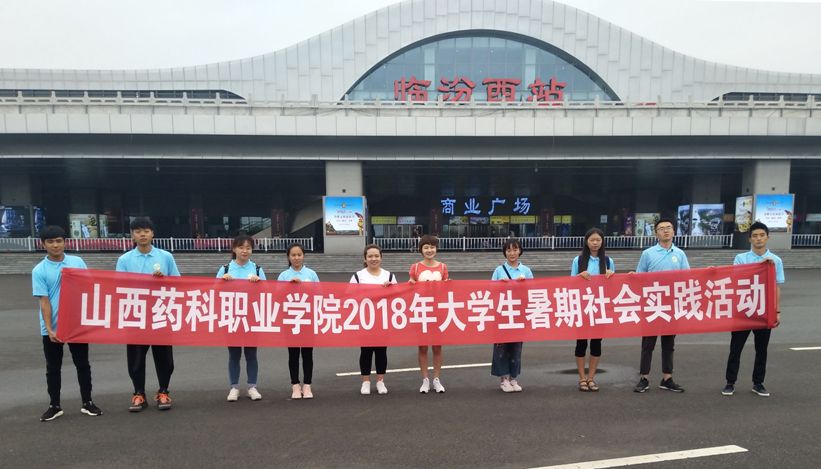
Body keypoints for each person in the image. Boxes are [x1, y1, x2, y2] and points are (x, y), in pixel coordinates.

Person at [33, 225, 103, 421]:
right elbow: (44, 301)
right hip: (52, 327)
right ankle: (54, 405)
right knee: (53, 368)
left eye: (59, 241)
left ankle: (87, 402)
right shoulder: (39, 270)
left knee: (83, 364)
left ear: (65, 242)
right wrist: (49, 328)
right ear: (43, 244)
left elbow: (89, 288)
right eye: (50, 242)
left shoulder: (77, 262)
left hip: (76, 324)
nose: (55, 245)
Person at [116, 217, 181, 411]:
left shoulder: (165, 257)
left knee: (164, 357)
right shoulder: (125, 260)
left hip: (160, 313)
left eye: (146, 231)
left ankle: (163, 391)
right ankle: (138, 393)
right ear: (132, 235)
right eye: (138, 231)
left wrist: (164, 279)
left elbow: (178, 282)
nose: (142, 234)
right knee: (136, 357)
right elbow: (118, 286)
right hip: (136, 314)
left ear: (152, 233)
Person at [722, 221, 784, 397]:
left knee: (761, 349)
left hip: (764, 311)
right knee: (736, 348)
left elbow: (777, 287)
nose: (758, 239)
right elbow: (737, 279)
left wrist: (777, 311)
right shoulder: (741, 258)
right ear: (749, 239)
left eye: (762, 235)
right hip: (743, 309)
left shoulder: (775, 261)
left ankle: (758, 383)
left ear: (767, 237)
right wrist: (760, 267)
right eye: (755, 236)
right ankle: (730, 382)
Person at [633, 217, 689, 393]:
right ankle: (644, 377)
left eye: (668, 228)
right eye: (661, 228)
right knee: (648, 343)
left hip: (671, 305)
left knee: (668, 343)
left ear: (673, 231)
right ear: (656, 233)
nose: (665, 231)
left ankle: (667, 378)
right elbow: (639, 277)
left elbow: (688, 277)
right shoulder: (648, 254)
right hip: (652, 304)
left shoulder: (679, 254)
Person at [217, 234, 266, 402]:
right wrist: (222, 282)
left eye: (248, 248)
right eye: (241, 247)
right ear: (234, 249)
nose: (245, 251)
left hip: (251, 317)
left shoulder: (257, 269)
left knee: (251, 354)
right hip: (232, 317)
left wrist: (259, 283)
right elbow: (214, 292)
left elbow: (267, 293)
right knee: (234, 354)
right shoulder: (225, 269)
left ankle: (252, 386)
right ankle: (234, 387)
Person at [570, 228, 615, 392]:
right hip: (582, 307)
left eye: (598, 240)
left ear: (602, 242)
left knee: (596, 344)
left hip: (600, 308)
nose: (595, 243)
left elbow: (613, 286)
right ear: (586, 242)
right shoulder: (578, 260)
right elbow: (570, 283)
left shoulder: (608, 261)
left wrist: (611, 275)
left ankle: (591, 378)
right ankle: (582, 378)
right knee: (581, 343)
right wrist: (579, 276)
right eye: (592, 240)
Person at [350, 244, 397, 395]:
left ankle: (380, 381)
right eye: (370, 256)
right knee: (366, 351)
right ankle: (365, 381)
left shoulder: (389, 276)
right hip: (365, 319)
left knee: (381, 351)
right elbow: (349, 296)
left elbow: (398, 298)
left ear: (381, 258)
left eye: (376, 256)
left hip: (383, 319)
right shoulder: (358, 276)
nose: (373, 259)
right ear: (365, 259)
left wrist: (391, 288)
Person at [277, 242, 319, 399]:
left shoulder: (311, 274)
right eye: (293, 255)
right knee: (293, 354)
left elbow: (321, 294)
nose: (296, 257)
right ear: (288, 257)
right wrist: (288, 286)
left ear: (304, 256)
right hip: (291, 319)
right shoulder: (284, 275)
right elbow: (277, 296)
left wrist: (308, 288)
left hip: (308, 318)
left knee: (308, 354)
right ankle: (295, 385)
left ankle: (307, 385)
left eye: (299, 254)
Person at [490, 238, 533, 392]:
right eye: (508, 250)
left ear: (520, 251)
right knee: (501, 347)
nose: (512, 253)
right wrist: (499, 284)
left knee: (516, 347)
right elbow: (490, 290)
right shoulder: (499, 270)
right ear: (505, 252)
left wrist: (524, 284)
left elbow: (534, 291)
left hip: (519, 314)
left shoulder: (526, 271)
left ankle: (514, 378)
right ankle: (504, 379)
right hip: (502, 313)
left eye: (515, 249)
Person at [408, 234, 448, 393]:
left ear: (436, 249)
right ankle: (425, 379)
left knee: (437, 347)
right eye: (426, 247)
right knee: (423, 347)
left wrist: (448, 285)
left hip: (438, 311)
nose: (429, 250)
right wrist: (411, 284)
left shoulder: (443, 267)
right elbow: (410, 287)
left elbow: (447, 289)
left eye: (432, 247)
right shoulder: (415, 267)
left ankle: (436, 379)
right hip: (421, 310)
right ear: (421, 250)